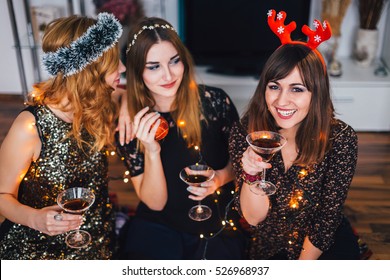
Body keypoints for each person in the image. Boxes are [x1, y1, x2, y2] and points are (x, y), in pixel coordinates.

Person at [228, 9, 360, 260]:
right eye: (274, 86)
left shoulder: (341, 139)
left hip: (319, 244)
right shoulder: (246, 133)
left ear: (316, 93)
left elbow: (327, 219)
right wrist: (251, 174)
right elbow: (254, 217)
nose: (281, 100)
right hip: (269, 244)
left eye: (297, 89)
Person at [116, 17, 247, 260]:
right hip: (159, 226)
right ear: (136, 71)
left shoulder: (215, 103)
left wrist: (219, 178)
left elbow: (242, 163)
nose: (168, 75)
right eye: (153, 66)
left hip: (215, 220)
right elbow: (155, 204)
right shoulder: (130, 125)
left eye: (174, 61)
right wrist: (151, 150)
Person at [0, 13, 126, 259]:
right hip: (39, 250)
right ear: (89, 70)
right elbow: (2, 195)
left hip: (98, 240)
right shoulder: (30, 126)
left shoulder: (98, 103)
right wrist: (35, 218)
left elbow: (127, 93)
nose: (122, 68)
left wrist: (129, 105)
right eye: (113, 62)